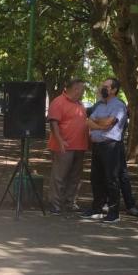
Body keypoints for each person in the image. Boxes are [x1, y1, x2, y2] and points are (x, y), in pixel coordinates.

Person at [81, 78, 128, 223]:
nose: (103, 88)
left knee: (111, 179)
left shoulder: (119, 105)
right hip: (97, 146)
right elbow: (88, 121)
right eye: (103, 86)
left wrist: (100, 123)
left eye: (106, 87)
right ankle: (97, 208)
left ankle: (114, 212)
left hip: (111, 146)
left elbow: (109, 122)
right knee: (96, 178)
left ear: (114, 90)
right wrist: (101, 125)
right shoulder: (100, 105)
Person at [47, 79, 89, 215]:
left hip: (79, 146)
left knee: (75, 177)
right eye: (82, 88)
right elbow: (53, 123)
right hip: (64, 146)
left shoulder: (80, 104)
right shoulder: (58, 102)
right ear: (76, 89)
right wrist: (60, 141)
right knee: (59, 176)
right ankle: (55, 204)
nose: (83, 91)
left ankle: (69, 202)